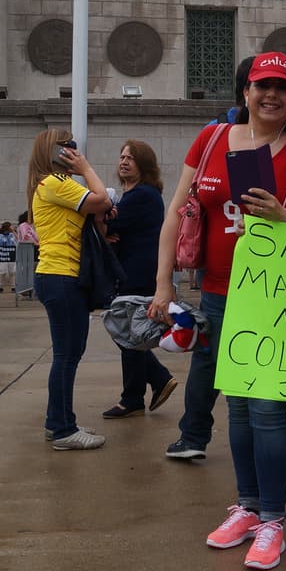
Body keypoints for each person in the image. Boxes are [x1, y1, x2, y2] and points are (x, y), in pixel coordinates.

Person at [150, 51, 286, 571]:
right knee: (238, 407)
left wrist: (282, 215)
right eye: (261, 86)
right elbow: (176, 213)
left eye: (283, 88)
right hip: (217, 294)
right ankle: (248, 506)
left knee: (269, 409)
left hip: (276, 297)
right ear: (245, 92)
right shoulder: (208, 142)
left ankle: (273, 519)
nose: (270, 95)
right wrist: (162, 285)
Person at [26, 128, 115, 451]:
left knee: (69, 354)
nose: (72, 150)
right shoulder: (54, 183)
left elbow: (98, 210)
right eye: (66, 147)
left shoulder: (53, 186)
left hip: (60, 277)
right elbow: (102, 199)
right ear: (52, 152)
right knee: (66, 356)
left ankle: (58, 422)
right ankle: (63, 430)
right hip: (61, 277)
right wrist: (86, 168)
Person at [102, 140, 178, 419]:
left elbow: (108, 222)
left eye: (131, 158)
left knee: (129, 333)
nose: (123, 161)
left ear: (143, 165)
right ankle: (145, 388)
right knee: (128, 332)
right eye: (121, 156)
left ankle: (139, 393)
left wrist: (106, 229)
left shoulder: (143, 194)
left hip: (138, 273)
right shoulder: (134, 195)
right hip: (133, 271)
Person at [0, 221, 17, 293]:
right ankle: (1, 287)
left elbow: (18, 241)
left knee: (12, 272)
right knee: (2, 272)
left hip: (11, 255)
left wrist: (13, 231)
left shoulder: (12, 235)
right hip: (3, 256)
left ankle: (13, 287)